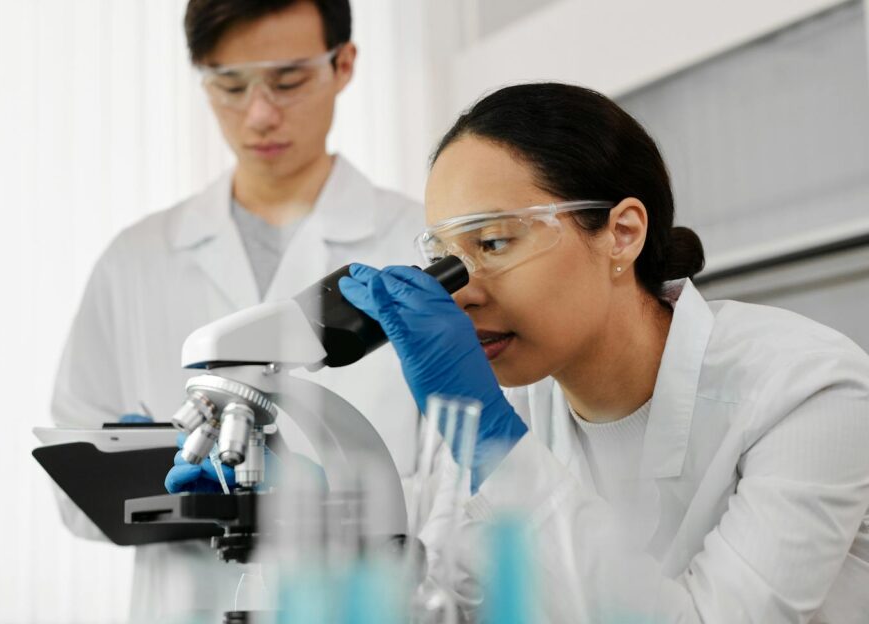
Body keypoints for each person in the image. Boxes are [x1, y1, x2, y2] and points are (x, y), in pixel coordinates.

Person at [338, 83, 869, 622]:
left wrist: (493, 445)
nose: (461, 292)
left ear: (622, 233)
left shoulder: (807, 390)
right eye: (445, 259)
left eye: (493, 243)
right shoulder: (513, 400)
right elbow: (455, 603)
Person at [50, 0, 423, 619]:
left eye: (289, 81)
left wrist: (324, 501)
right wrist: (144, 475)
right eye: (229, 85)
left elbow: (463, 495)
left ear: (344, 64)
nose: (259, 113)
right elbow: (72, 497)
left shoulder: (409, 243)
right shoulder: (136, 260)